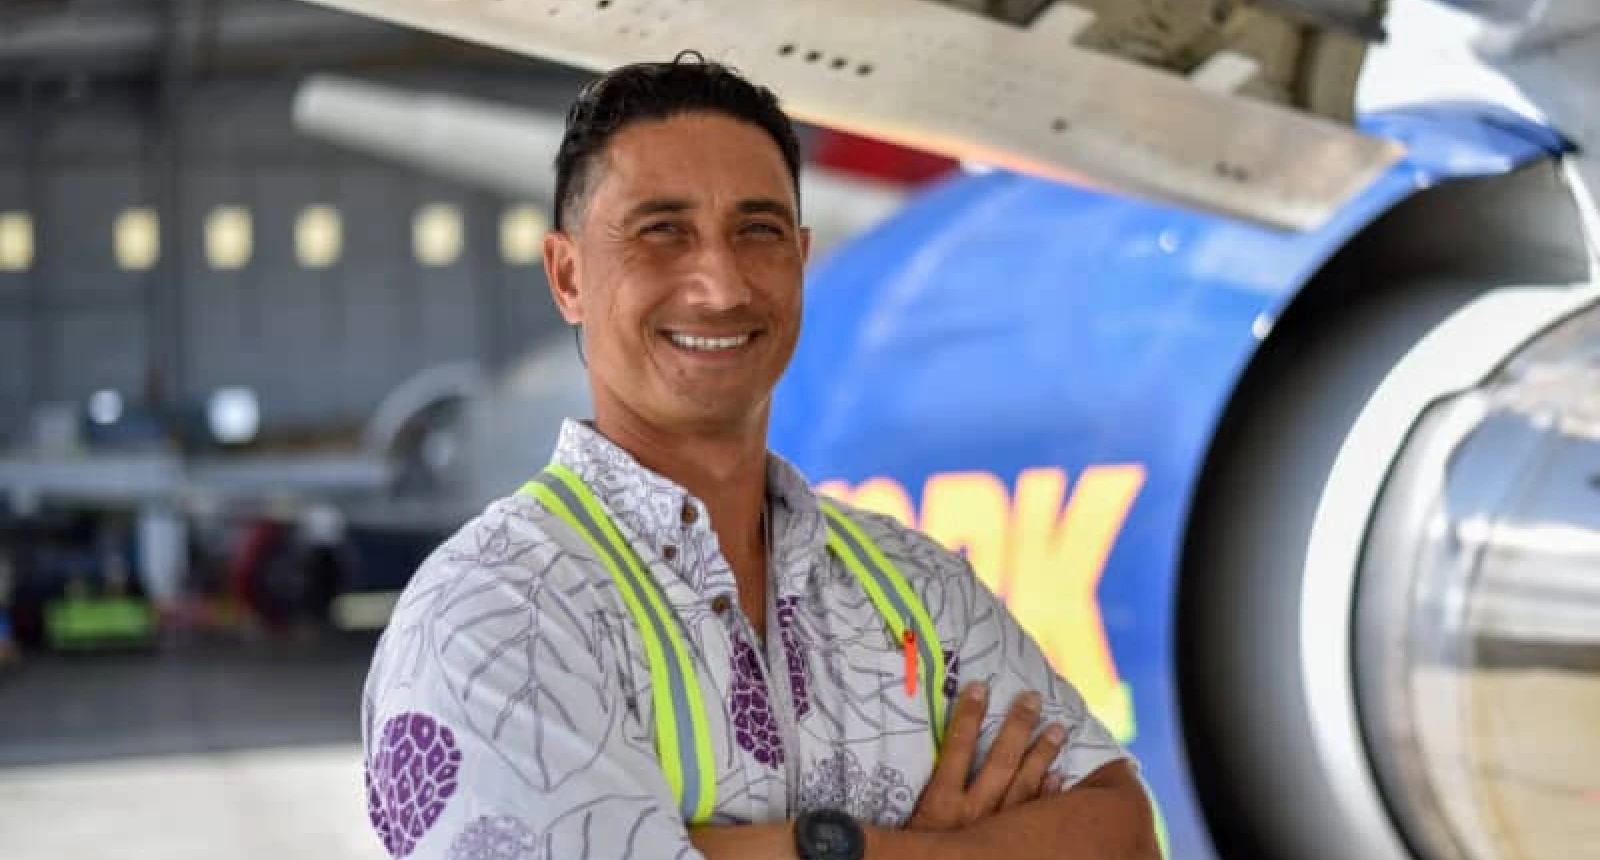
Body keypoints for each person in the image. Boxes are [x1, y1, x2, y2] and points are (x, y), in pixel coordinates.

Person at [360, 51, 1160, 860]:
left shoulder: (916, 587)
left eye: (759, 231)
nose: (721, 283)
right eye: (661, 231)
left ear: (802, 258)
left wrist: (834, 850)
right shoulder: (490, 616)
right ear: (567, 275)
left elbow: (1125, 835)